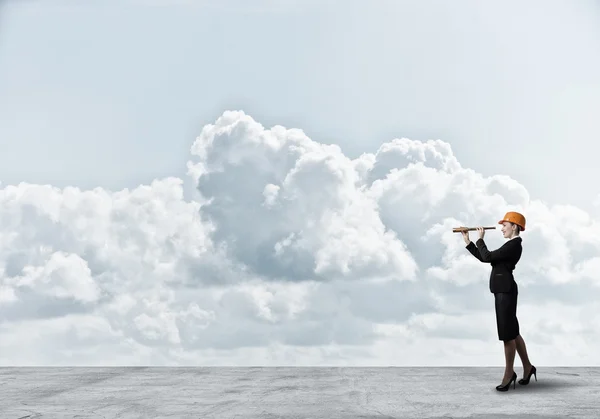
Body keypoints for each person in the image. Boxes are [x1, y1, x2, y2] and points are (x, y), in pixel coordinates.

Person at [461, 211, 537, 392]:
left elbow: (487, 256)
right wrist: (469, 242)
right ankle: (528, 367)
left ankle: (509, 374)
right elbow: (484, 258)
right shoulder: (508, 246)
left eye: (505, 225)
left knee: (507, 336)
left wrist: (480, 239)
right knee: (513, 332)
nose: (502, 228)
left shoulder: (513, 245)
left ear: (514, 227)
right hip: (503, 291)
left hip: (506, 292)